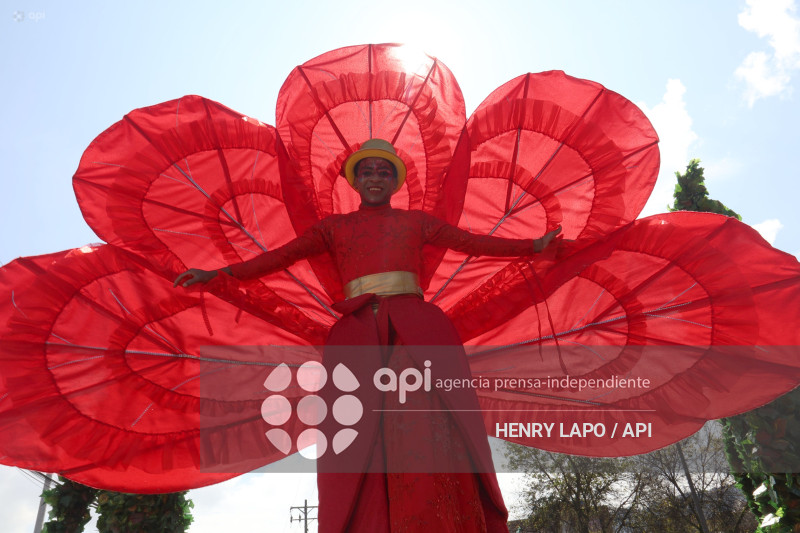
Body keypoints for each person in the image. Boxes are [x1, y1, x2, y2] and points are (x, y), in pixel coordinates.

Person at [175, 138, 561, 532]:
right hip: (355, 339)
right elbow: (280, 257)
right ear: (354, 181)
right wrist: (218, 275)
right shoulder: (333, 228)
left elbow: (471, 243)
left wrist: (532, 245)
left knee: (424, 429)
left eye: (383, 172)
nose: (375, 178)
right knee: (356, 437)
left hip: (418, 332)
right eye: (367, 171)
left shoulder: (416, 222)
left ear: (395, 183)